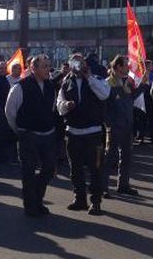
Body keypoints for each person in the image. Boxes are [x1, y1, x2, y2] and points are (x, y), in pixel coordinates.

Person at [57, 53, 110, 215]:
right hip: (73, 132)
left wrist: (89, 77)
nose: (77, 67)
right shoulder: (66, 83)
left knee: (95, 168)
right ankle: (80, 198)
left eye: (80, 63)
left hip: (93, 132)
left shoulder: (97, 79)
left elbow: (104, 94)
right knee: (76, 169)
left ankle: (95, 202)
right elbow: (59, 106)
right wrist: (66, 105)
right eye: (74, 63)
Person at [5, 54, 57, 217]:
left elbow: (52, 107)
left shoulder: (50, 86)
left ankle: (37, 198)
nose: (48, 69)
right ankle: (31, 206)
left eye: (49, 66)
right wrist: (20, 130)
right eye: (44, 66)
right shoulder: (20, 87)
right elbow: (10, 111)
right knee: (28, 171)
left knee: (48, 168)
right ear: (33, 69)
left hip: (47, 134)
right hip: (28, 135)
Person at [102, 55, 149, 198]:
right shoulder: (107, 83)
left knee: (127, 157)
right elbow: (103, 107)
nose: (128, 67)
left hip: (127, 126)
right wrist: (109, 124)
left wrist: (143, 84)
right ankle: (103, 187)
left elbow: (132, 97)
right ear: (118, 67)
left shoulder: (126, 82)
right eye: (125, 65)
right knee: (110, 158)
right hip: (114, 127)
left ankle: (123, 185)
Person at [0, 61, 15, 163]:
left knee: (4, 133)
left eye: (4, 67)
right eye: (1, 67)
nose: (3, 69)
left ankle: (2, 155)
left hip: (5, 110)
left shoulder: (4, 78)